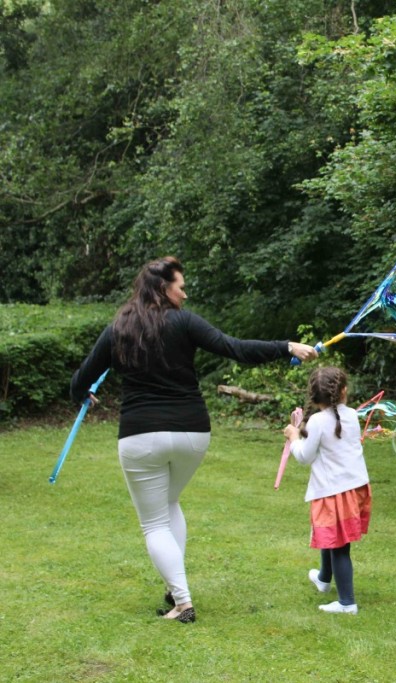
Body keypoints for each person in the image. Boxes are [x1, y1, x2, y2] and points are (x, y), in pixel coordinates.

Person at [70, 256, 318, 623]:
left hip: (140, 437)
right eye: (180, 287)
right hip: (192, 434)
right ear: (163, 288)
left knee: (154, 523)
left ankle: (183, 603)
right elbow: (235, 348)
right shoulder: (184, 322)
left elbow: (81, 378)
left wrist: (82, 395)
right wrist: (286, 346)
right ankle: (174, 590)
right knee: (169, 503)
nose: (185, 294)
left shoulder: (118, 329)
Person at [283, 367, 371, 615]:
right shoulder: (352, 415)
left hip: (334, 493)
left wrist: (293, 438)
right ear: (344, 391)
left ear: (313, 396)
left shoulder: (318, 421)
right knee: (329, 534)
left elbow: (304, 456)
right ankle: (323, 578)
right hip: (354, 488)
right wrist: (303, 434)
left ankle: (347, 603)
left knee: (339, 545)